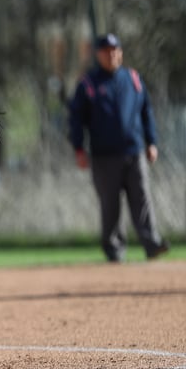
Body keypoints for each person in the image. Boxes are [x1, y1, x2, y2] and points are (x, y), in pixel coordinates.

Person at [67, 33, 169, 263]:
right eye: (106, 51)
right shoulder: (89, 84)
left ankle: (152, 243)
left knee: (142, 199)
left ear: (120, 52)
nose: (112, 55)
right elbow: (76, 118)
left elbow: (146, 112)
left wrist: (151, 142)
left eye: (115, 50)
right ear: (98, 55)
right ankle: (114, 250)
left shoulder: (132, 78)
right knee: (110, 204)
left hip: (134, 152)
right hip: (104, 156)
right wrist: (79, 149)